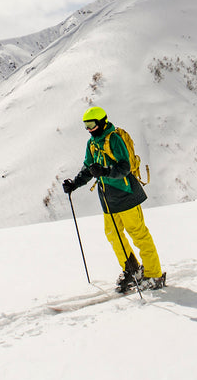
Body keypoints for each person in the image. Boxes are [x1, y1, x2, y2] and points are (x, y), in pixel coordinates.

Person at [62, 105, 165, 292]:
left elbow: (124, 167)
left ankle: (154, 273)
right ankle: (132, 269)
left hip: (126, 193)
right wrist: (74, 184)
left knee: (138, 234)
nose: (89, 129)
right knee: (112, 234)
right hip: (108, 198)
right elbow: (88, 168)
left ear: (102, 122)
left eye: (92, 124)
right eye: (86, 125)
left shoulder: (114, 139)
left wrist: (105, 171)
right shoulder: (92, 144)